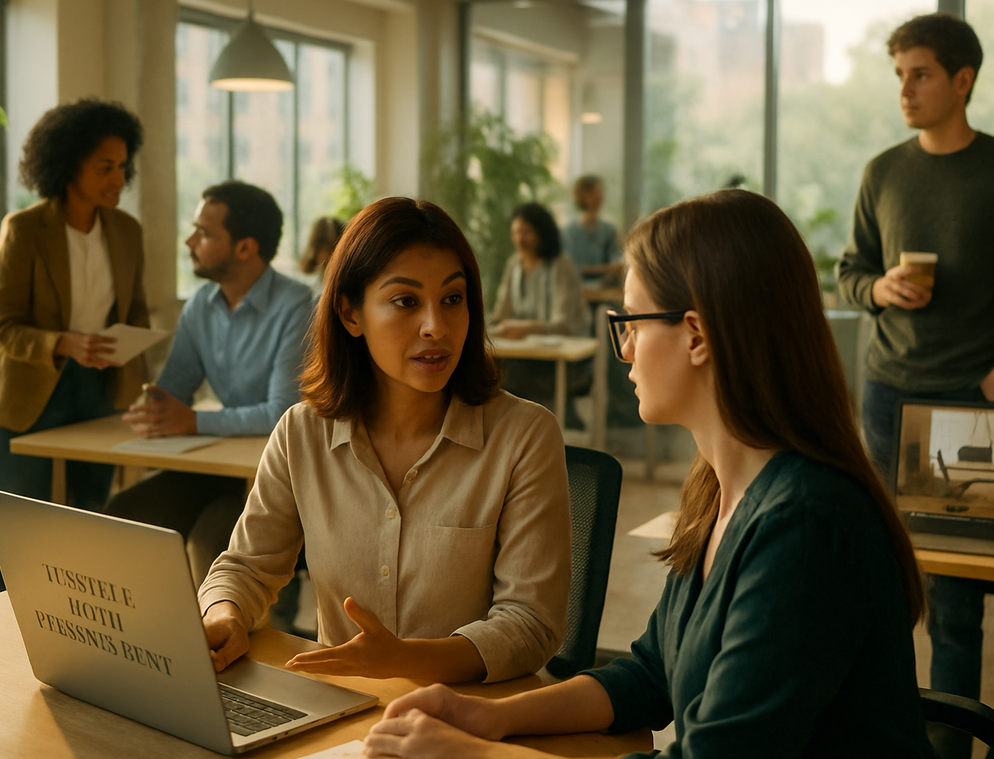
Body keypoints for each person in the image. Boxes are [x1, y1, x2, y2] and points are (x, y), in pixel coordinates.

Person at [362, 190, 935, 758]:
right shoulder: (720, 489)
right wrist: (485, 717)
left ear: (697, 335)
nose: (626, 349)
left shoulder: (805, 526)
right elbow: (650, 675)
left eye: (631, 321)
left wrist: (474, 756)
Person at [198, 196, 571, 684]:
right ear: (351, 315)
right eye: (406, 301)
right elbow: (247, 567)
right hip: (342, 714)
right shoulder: (301, 432)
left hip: (472, 718)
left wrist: (404, 661)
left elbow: (531, 624)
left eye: (453, 299)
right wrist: (224, 614)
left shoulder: (524, 436)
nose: (436, 326)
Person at [836, 13, 994, 759]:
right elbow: (849, 271)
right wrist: (881, 290)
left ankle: (947, 750)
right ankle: (884, 736)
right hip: (885, 395)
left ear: (962, 81)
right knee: (880, 580)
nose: (905, 88)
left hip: (970, 404)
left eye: (920, 73)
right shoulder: (882, 171)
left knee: (956, 601)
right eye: (899, 74)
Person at [0, 99, 148, 594]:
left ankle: (83, 634)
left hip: (99, 390)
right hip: (30, 392)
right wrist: (62, 343)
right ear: (67, 164)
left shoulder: (127, 231)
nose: (118, 178)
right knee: (19, 530)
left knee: (90, 522)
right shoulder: (25, 229)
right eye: (105, 167)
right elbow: (3, 327)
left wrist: (127, 347)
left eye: (122, 166)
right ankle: (2, 634)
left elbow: (135, 312)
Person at [107, 181, 313, 585]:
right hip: (222, 465)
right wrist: (150, 406)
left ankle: (233, 640)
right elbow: (172, 394)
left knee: (214, 537)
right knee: (124, 513)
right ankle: (141, 637)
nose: (189, 241)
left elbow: (280, 414)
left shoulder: (299, 305)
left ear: (245, 248)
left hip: (282, 474)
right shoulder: (201, 304)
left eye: (204, 232)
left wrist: (193, 422)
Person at [490, 203, 590, 425]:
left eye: (526, 232)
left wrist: (524, 328)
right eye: (516, 232)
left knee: (503, 378)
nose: (520, 238)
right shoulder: (513, 265)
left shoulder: (560, 265)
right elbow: (500, 314)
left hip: (563, 359)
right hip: (525, 355)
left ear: (542, 233)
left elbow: (562, 324)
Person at [560, 175, 622, 286]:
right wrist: (601, 269)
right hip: (575, 289)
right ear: (583, 195)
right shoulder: (567, 233)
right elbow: (566, 268)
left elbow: (617, 265)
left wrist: (588, 269)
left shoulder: (608, 230)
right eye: (596, 192)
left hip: (604, 290)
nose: (601, 197)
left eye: (601, 192)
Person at [299, 214, 346, 305]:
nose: (328, 253)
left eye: (332, 246)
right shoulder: (308, 286)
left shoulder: (344, 290)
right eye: (325, 245)